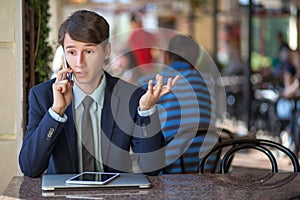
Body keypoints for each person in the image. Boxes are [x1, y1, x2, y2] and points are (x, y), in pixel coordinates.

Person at [19, 10, 179, 178]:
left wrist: (146, 110)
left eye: (89, 51)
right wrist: (56, 112)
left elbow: (152, 168)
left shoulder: (130, 96)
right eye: (72, 52)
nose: (79, 63)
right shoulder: (43, 96)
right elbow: (30, 167)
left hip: (115, 195)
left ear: (106, 51)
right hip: (63, 194)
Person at [139, 34, 216, 173]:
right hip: (208, 164)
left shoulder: (148, 84)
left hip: (169, 167)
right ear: (195, 61)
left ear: (166, 57)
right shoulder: (208, 82)